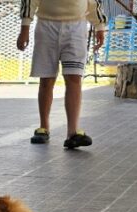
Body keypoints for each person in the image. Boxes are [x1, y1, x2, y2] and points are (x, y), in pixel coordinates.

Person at [17, 0, 107, 148]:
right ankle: (43, 127)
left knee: (74, 78)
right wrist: (25, 27)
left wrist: (100, 26)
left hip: (76, 26)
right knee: (46, 79)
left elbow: (93, 2)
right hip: (46, 25)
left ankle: (72, 133)